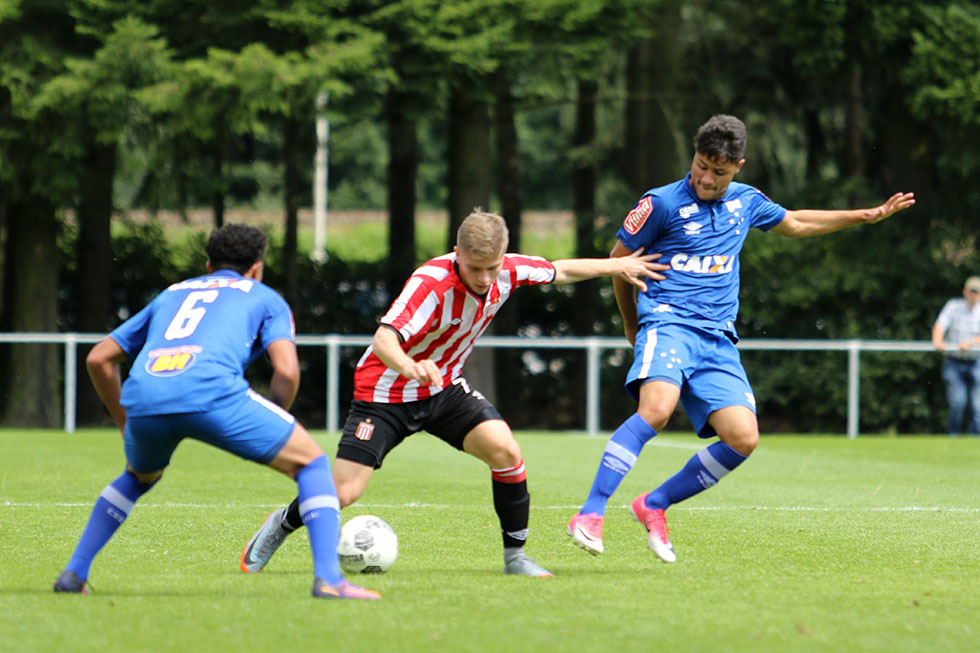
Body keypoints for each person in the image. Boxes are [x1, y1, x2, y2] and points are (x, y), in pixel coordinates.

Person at [238, 209, 668, 577]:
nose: (484, 278)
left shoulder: (510, 270)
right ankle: (281, 524)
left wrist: (617, 266)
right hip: (384, 394)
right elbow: (385, 337)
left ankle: (515, 557)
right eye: (474, 267)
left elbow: (561, 270)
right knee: (346, 492)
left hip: (443, 389)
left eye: (492, 267)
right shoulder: (430, 283)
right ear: (457, 253)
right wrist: (409, 366)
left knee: (505, 451)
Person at [566, 114, 916, 562]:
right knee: (655, 411)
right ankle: (590, 514)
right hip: (668, 323)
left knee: (742, 438)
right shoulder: (660, 204)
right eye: (701, 165)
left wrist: (865, 216)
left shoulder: (746, 202)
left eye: (719, 172)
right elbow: (618, 264)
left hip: (717, 339)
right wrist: (632, 325)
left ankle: (653, 504)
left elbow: (796, 223)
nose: (706, 178)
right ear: (693, 154)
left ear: (739, 166)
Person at [53, 224, 379, 600]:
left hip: (145, 394)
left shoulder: (172, 293)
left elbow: (99, 358)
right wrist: (277, 421)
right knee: (312, 464)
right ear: (257, 267)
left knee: (139, 477)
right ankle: (329, 581)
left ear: (209, 265)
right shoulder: (265, 296)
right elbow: (287, 371)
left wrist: (125, 420)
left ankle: (74, 574)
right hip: (212, 392)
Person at [931, 276, 980, 436]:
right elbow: (940, 325)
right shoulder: (953, 306)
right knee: (957, 402)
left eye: (977, 292)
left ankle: (975, 440)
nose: (974, 294)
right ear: (965, 291)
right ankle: (953, 438)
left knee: (977, 405)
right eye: (972, 291)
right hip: (953, 361)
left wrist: (971, 342)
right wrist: (938, 341)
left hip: (976, 361)